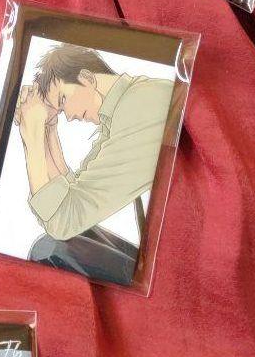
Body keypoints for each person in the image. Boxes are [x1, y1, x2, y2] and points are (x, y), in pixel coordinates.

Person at [15, 44, 173, 285]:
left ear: (87, 78)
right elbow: (72, 194)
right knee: (67, 239)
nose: (68, 116)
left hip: (185, 267)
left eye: (64, 99)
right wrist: (48, 129)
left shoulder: (138, 111)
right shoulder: (124, 107)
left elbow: (62, 223)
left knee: (49, 250)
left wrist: (32, 136)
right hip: (174, 255)